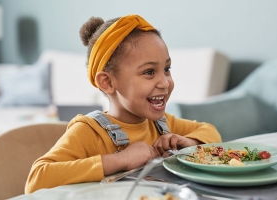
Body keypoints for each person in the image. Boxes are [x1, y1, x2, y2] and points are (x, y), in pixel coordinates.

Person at [25, 14, 221, 194]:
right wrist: (119, 160)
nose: (165, 82)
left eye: (167, 69)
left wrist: (191, 144)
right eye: (149, 72)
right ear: (108, 82)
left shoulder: (161, 123)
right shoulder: (89, 132)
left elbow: (211, 132)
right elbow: (36, 179)